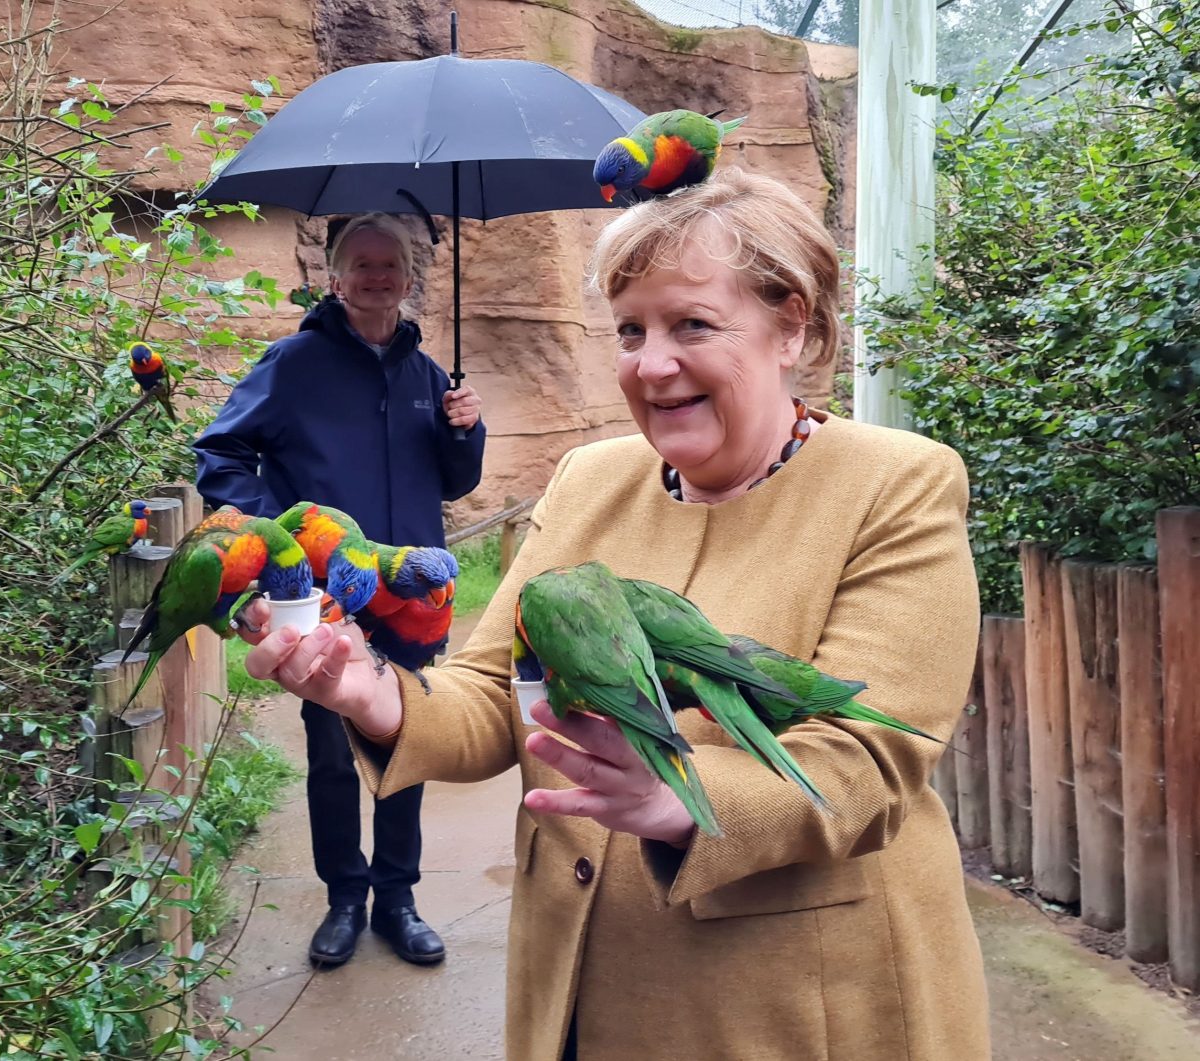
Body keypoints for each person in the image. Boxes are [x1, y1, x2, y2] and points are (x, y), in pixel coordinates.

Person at [231, 169, 991, 1059]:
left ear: (795, 326)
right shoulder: (592, 479)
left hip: (794, 1005)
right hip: (582, 989)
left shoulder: (896, 484)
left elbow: (871, 761)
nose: (651, 363)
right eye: (630, 329)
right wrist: (373, 693)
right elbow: (497, 690)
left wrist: (679, 795)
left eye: (692, 325)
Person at [193, 213, 486, 969]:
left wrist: (463, 430)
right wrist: (277, 535)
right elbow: (219, 452)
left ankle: (398, 898)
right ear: (334, 275)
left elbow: (457, 482)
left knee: (408, 742)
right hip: (328, 596)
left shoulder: (429, 375)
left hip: (414, 596)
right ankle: (344, 898)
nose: (377, 276)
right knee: (331, 751)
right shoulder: (293, 363)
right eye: (362, 263)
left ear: (410, 277)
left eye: (391, 264)